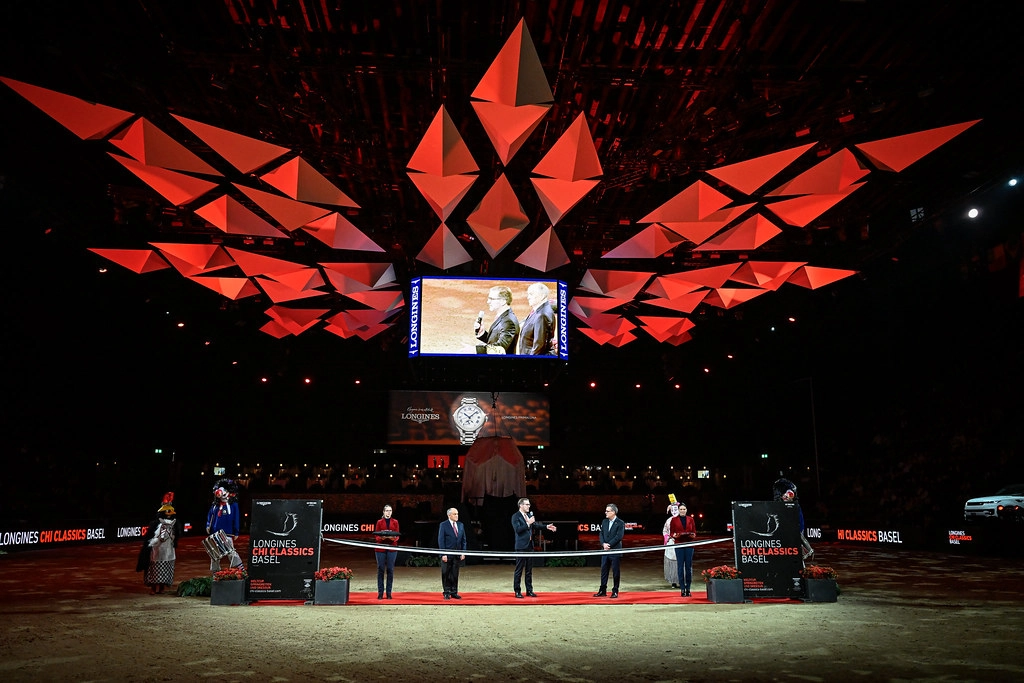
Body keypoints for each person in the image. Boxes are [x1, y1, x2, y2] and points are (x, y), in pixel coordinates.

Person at [511, 497, 557, 598]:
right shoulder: (515, 516)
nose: (529, 506)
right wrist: (528, 523)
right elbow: (518, 529)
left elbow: (535, 525)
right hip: (521, 547)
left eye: (529, 504)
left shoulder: (528, 515)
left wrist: (546, 527)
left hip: (529, 546)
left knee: (529, 570)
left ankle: (529, 590)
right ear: (521, 505)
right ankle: (517, 591)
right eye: (527, 504)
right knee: (519, 569)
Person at [136, 492, 179, 594]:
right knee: (154, 566)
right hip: (157, 549)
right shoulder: (155, 523)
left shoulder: (175, 523)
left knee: (166, 566)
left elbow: (177, 535)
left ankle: (162, 586)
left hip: (168, 549)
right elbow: (149, 537)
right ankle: (154, 587)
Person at [206, 478, 244, 573]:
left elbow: (236, 518)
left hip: (227, 533)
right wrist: (208, 525)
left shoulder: (233, 505)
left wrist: (236, 532)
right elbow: (210, 516)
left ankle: (239, 570)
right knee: (214, 553)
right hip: (215, 533)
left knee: (231, 552)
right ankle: (215, 572)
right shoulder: (215, 505)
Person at [774, 476, 814, 561]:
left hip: (793, 514)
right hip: (787, 513)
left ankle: (807, 550)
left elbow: (790, 496)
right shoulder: (780, 498)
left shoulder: (789, 490)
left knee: (797, 535)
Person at [473, 285, 519, 354]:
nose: (488, 302)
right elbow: (495, 341)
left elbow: (500, 348)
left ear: (503, 301)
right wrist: (482, 334)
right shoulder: (504, 317)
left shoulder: (509, 322)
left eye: (491, 299)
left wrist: (475, 350)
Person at [593, 503, 624, 598]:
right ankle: (602, 590)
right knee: (604, 571)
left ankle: (615, 591)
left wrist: (609, 545)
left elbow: (619, 537)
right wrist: (603, 544)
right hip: (605, 551)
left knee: (615, 572)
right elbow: (601, 534)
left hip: (615, 551)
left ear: (613, 512)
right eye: (606, 511)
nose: (605, 512)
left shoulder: (620, 523)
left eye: (607, 511)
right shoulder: (604, 522)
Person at [517, 282, 555, 355]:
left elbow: (539, 346)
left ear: (542, 296)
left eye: (531, 294)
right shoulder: (540, 310)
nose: (528, 297)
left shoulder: (542, 315)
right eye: (528, 294)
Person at [668, 501, 697, 596]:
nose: (682, 511)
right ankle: (682, 589)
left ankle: (688, 588)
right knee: (680, 567)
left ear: (686, 510)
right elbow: (671, 532)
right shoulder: (674, 520)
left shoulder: (691, 519)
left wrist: (692, 535)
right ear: (678, 510)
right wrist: (675, 536)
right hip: (679, 545)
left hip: (689, 545)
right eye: (681, 509)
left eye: (684, 509)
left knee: (688, 567)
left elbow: (694, 532)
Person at [438, 507, 466, 600]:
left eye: (457, 514)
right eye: (454, 514)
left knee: (455, 573)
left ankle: (454, 592)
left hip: (457, 554)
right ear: (449, 515)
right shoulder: (443, 525)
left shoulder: (461, 525)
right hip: (447, 554)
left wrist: (463, 552)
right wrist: (443, 554)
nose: (456, 516)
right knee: (446, 573)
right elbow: (441, 540)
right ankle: (446, 592)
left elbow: (463, 540)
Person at [374, 504, 400, 600]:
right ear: (383, 512)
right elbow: (376, 535)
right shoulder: (379, 522)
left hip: (392, 548)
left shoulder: (395, 522)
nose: (388, 512)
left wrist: (392, 539)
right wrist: (382, 538)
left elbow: (397, 535)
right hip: (380, 548)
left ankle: (389, 593)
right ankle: (380, 593)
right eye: (387, 510)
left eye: (390, 510)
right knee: (380, 569)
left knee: (390, 570)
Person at [662, 504, 678, 588]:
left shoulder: (683, 519)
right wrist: (668, 537)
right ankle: (673, 581)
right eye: (673, 509)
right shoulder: (668, 520)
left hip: (680, 542)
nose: (674, 511)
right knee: (671, 562)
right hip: (671, 543)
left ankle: (681, 580)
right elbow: (665, 531)